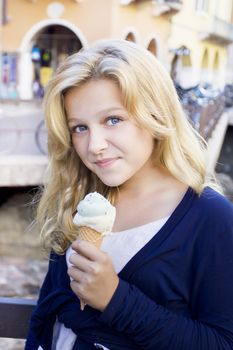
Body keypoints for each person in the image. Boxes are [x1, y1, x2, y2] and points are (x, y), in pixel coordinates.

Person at [25, 39, 233, 350]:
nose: (94, 145)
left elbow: (221, 342)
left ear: (156, 115)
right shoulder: (81, 199)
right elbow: (48, 311)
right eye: (79, 127)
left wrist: (115, 299)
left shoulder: (211, 218)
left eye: (113, 120)